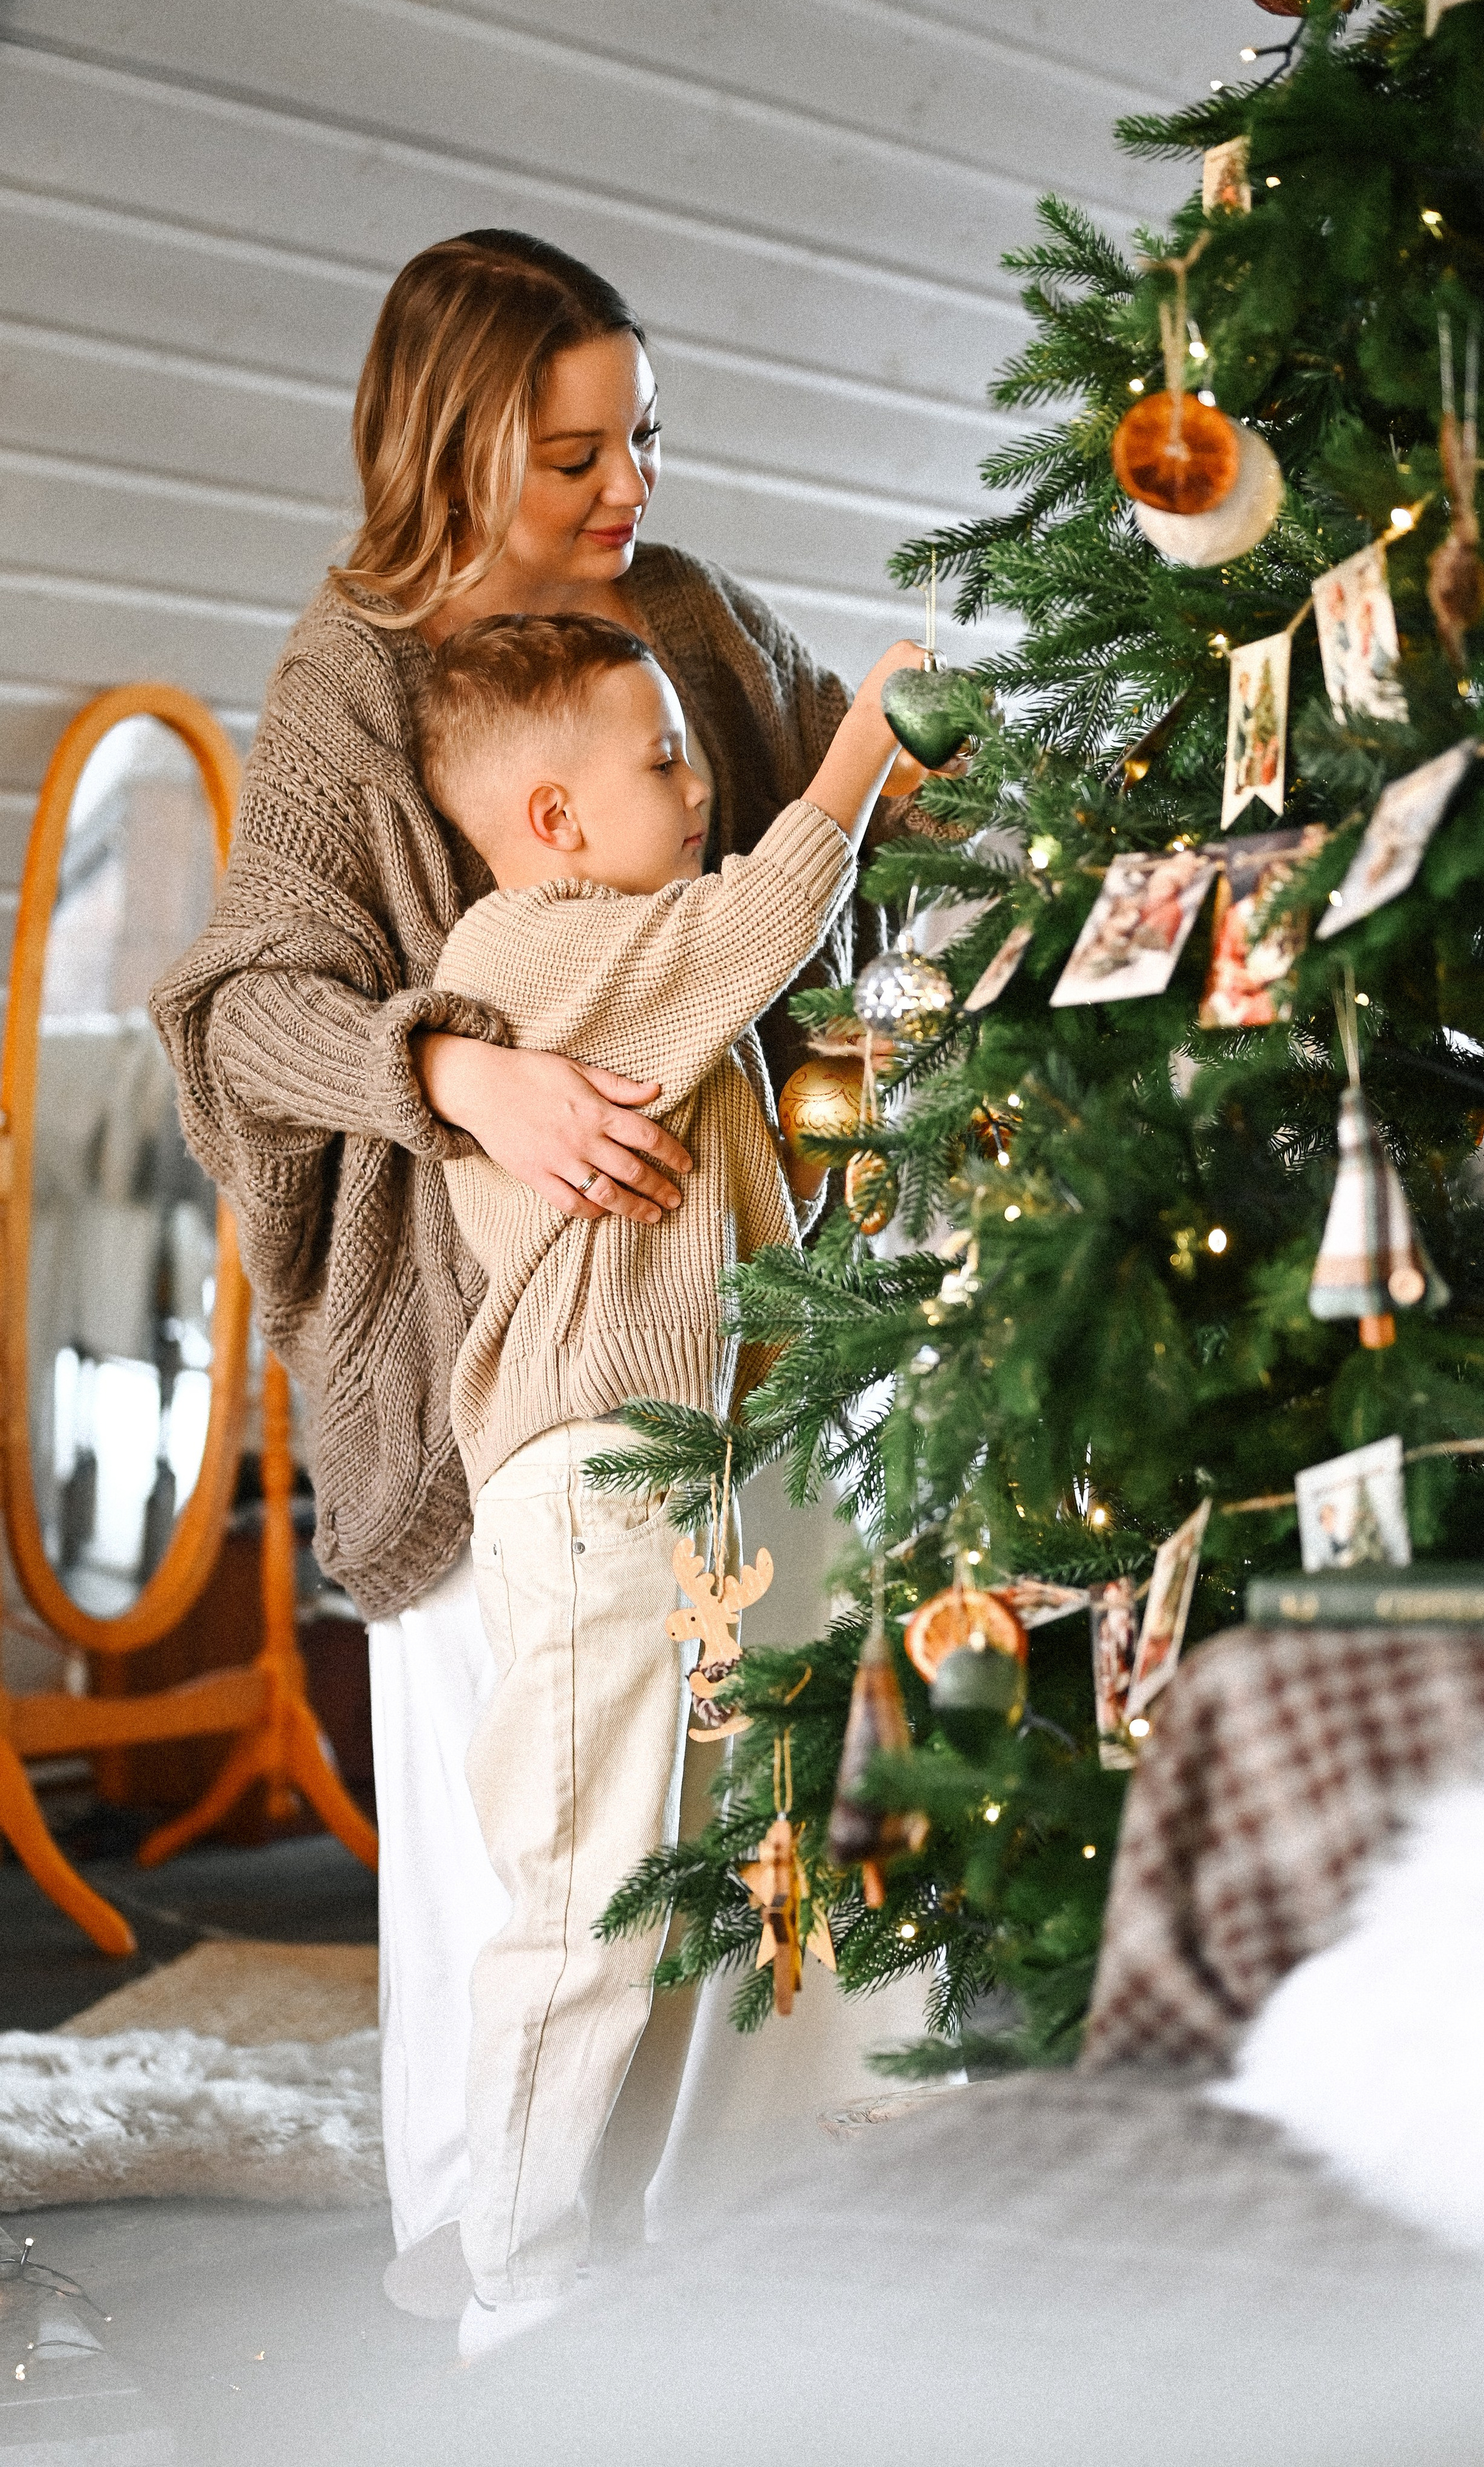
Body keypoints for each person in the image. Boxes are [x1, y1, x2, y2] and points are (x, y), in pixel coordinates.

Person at [149, 229, 901, 2320]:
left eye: (645, 434)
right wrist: (469, 1076)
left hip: (738, 1310)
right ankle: (501, 2256)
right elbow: (237, 1012)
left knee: (744, 1793)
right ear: (453, 443)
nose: (625, 489)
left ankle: (704, 2255)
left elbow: (858, 818)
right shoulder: (355, 674)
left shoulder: (690, 622)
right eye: (572, 452)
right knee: (548, 1835)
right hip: (504, 1340)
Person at [407, 609, 921, 2354]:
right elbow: (770, 921)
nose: (701, 784)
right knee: (582, 1894)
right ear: (553, 823)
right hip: (594, 1488)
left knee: (664, 1884)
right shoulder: (536, 950)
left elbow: (751, 1230)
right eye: (664, 759)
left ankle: (591, 2252)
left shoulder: (632, 966)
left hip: (671, 1483)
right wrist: (862, 753)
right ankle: (517, 2282)